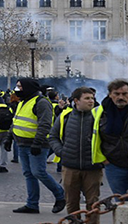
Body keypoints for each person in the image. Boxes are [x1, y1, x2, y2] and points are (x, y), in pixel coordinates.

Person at [4, 78, 66, 214]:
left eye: (19, 87)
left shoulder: (41, 102)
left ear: (27, 88)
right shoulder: (23, 102)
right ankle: (32, 204)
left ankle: (60, 195)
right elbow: (16, 120)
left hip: (37, 144)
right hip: (22, 143)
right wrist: (9, 138)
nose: (17, 89)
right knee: (29, 174)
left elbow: (45, 125)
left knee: (38, 172)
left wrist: (37, 143)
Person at [49, 87, 103, 224]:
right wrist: (61, 152)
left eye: (92, 98)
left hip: (93, 167)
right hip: (70, 166)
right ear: (76, 101)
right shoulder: (65, 116)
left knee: (93, 203)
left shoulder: (99, 116)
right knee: (72, 202)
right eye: (87, 98)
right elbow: (53, 137)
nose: (91, 101)